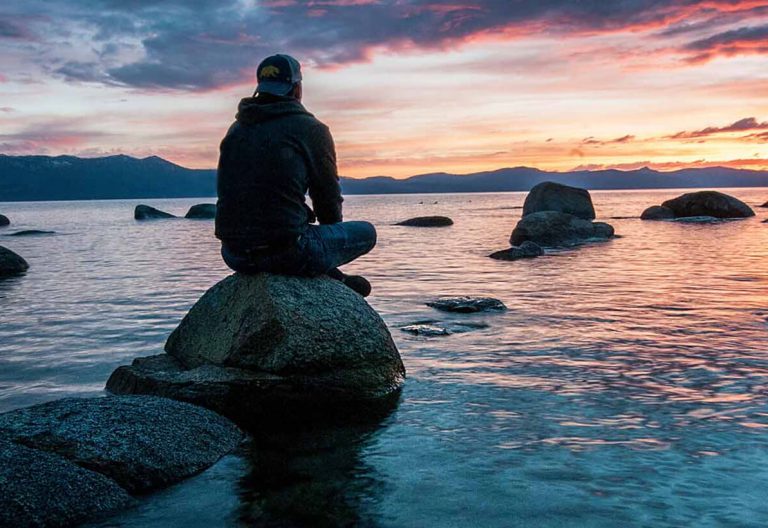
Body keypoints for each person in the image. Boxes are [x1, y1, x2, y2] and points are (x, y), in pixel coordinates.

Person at [215, 54, 375, 297]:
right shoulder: (310, 129)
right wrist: (327, 249)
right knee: (367, 232)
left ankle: (332, 275)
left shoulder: (237, 129)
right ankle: (330, 274)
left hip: (233, 254)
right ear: (297, 88)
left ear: (260, 88)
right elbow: (327, 197)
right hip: (287, 252)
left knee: (297, 230)